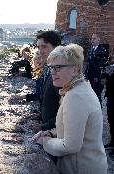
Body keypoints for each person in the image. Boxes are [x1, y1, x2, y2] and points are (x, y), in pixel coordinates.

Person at [32, 44, 108, 174]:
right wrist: (51, 133)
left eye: (58, 67)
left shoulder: (76, 96)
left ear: (75, 69)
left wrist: (45, 141)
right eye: (51, 67)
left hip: (82, 168)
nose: (53, 72)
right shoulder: (80, 87)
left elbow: (70, 146)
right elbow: (76, 126)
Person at [36, 31, 61, 131]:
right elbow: (49, 101)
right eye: (38, 47)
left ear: (56, 48)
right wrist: (39, 116)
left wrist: (43, 127)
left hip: (56, 134)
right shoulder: (49, 68)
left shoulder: (60, 72)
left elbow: (66, 111)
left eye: (44, 46)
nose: (40, 51)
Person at [85, 34, 108, 102]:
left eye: (94, 39)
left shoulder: (102, 50)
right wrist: (86, 74)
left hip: (96, 78)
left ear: (98, 39)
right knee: (91, 95)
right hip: (90, 76)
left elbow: (101, 65)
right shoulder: (92, 50)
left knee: (97, 96)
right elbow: (89, 64)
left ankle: (99, 111)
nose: (92, 40)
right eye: (91, 39)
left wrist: (97, 76)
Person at [101, 54, 114, 151]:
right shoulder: (109, 67)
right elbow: (104, 81)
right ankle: (112, 142)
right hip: (110, 97)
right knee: (111, 120)